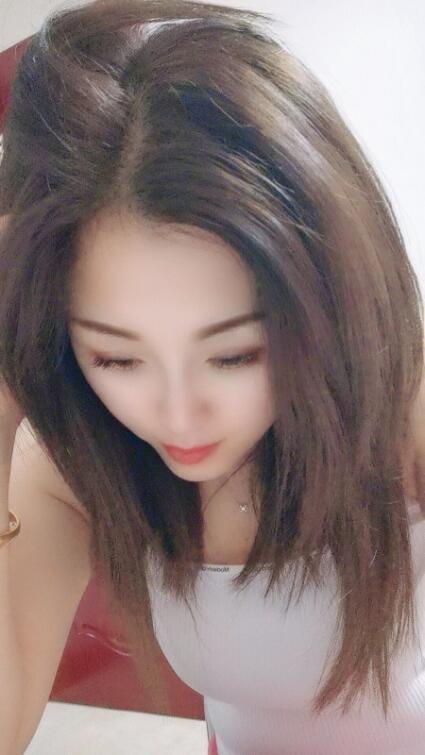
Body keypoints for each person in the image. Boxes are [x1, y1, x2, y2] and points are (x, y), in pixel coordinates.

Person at [0, 1, 425, 753]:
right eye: (116, 358)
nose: (178, 416)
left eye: (235, 354)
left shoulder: (405, 418)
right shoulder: (71, 464)